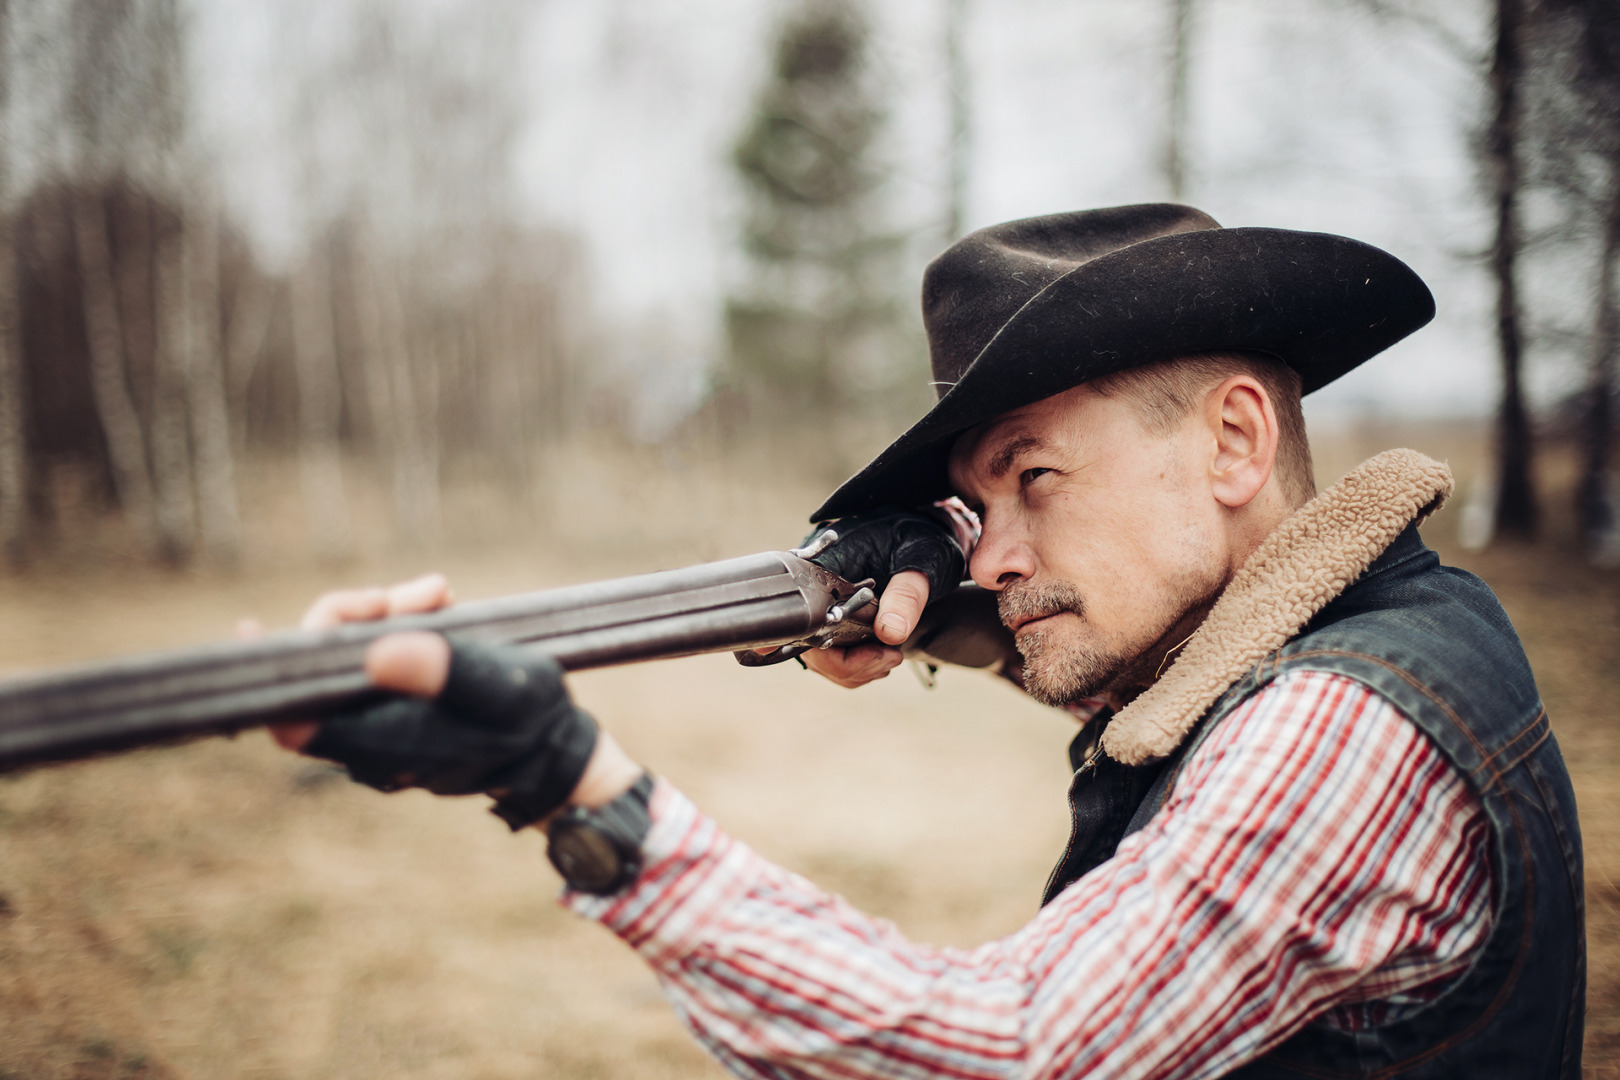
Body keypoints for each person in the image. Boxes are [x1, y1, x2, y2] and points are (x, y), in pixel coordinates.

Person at [276, 205, 1585, 1079]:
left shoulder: (1340, 729)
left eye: (1036, 478)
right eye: (973, 506)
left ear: (1235, 442)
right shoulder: (1394, 619)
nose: (996, 552)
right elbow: (1156, 671)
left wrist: (577, 789)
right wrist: (930, 591)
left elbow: (1015, 1052)